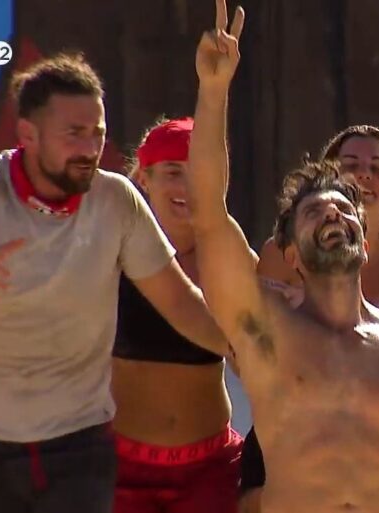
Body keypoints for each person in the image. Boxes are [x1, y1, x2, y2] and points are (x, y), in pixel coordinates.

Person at [187, 3, 379, 512]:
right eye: (313, 213)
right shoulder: (265, 331)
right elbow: (209, 215)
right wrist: (213, 92)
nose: (333, 214)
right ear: (291, 255)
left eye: (345, 210)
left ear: (365, 244)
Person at [0, 53, 229, 513]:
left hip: (77, 447)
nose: (91, 148)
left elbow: (182, 305)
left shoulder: (115, 200)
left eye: (98, 132)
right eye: (74, 133)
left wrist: (254, 350)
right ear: (28, 135)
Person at [240, 124, 379, 512]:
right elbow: (249, 344)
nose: (364, 175)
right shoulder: (283, 251)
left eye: (377, 168)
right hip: (292, 429)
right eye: (351, 164)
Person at [111, 117, 248, 513]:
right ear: (144, 177)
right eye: (173, 172)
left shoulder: (230, 259)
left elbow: (265, 359)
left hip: (210, 469)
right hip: (122, 469)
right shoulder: (111, 253)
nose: (187, 187)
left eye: (198, 174)